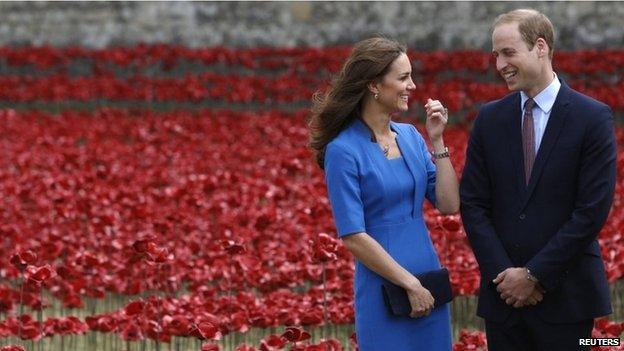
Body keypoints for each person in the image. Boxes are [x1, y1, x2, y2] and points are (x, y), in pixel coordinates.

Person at [460, 9, 616, 351]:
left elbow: (591, 211)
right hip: (504, 304)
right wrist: (506, 277)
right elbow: (472, 203)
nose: (500, 65)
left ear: (540, 47)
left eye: (508, 52)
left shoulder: (592, 118)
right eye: (496, 55)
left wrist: (533, 276)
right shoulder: (490, 119)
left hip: (568, 301)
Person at [309, 37, 459, 350]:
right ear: (374, 85)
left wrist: (438, 142)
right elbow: (353, 235)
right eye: (403, 78)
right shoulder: (343, 151)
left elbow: (448, 204)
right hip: (385, 287)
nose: (413, 86)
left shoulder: (410, 136)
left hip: (428, 280)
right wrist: (409, 284)